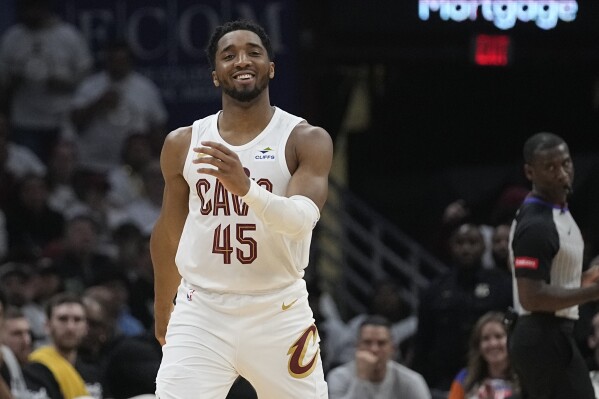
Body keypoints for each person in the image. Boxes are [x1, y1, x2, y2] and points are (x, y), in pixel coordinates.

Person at [151, 19, 332, 399]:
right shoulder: (183, 143)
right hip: (201, 311)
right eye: (228, 55)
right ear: (215, 75)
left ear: (271, 67)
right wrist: (162, 305)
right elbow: (169, 233)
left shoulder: (305, 139)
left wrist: (246, 188)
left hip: (277, 310)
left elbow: (300, 222)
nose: (241, 60)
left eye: (254, 52)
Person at [508, 132, 599, 399]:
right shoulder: (537, 224)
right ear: (529, 172)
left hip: (549, 335)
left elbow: (555, 281)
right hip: (541, 336)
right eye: (549, 167)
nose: (561, 173)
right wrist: (595, 292)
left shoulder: (559, 212)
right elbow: (532, 297)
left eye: (566, 163)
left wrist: (588, 278)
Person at [413, 223, 512, 394]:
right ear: (450, 247)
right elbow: (423, 339)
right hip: (443, 381)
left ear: (484, 246)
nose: (466, 249)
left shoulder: (502, 284)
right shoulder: (435, 288)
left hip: (491, 377)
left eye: (472, 243)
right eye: (460, 243)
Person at [327, 315, 430, 399]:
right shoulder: (339, 377)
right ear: (357, 346)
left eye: (381, 343)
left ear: (392, 349)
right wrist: (361, 380)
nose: (374, 349)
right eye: (367, 342)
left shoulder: (411, 381)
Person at [25, 292, 101, 399]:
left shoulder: (94, 372)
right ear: (47, 325)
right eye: (63, 319)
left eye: (77, 319)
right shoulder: (33, 372)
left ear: (86, 327)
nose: (70, 327)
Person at [447, 311, 519, 399]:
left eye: (498, 336)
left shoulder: (523, 379)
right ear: (478, 345)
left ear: (511, 340)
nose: (493, 344)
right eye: (486, 338)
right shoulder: (464, 377)